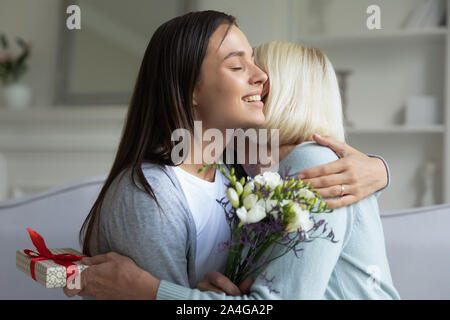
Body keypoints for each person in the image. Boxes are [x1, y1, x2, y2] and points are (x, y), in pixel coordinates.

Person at [64, 11, 392, 300]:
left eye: (255, 64)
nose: (260, 79)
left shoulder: (252, 177)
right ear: (189, 89)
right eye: (237, 65)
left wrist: (151, 292)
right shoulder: (160, 194)